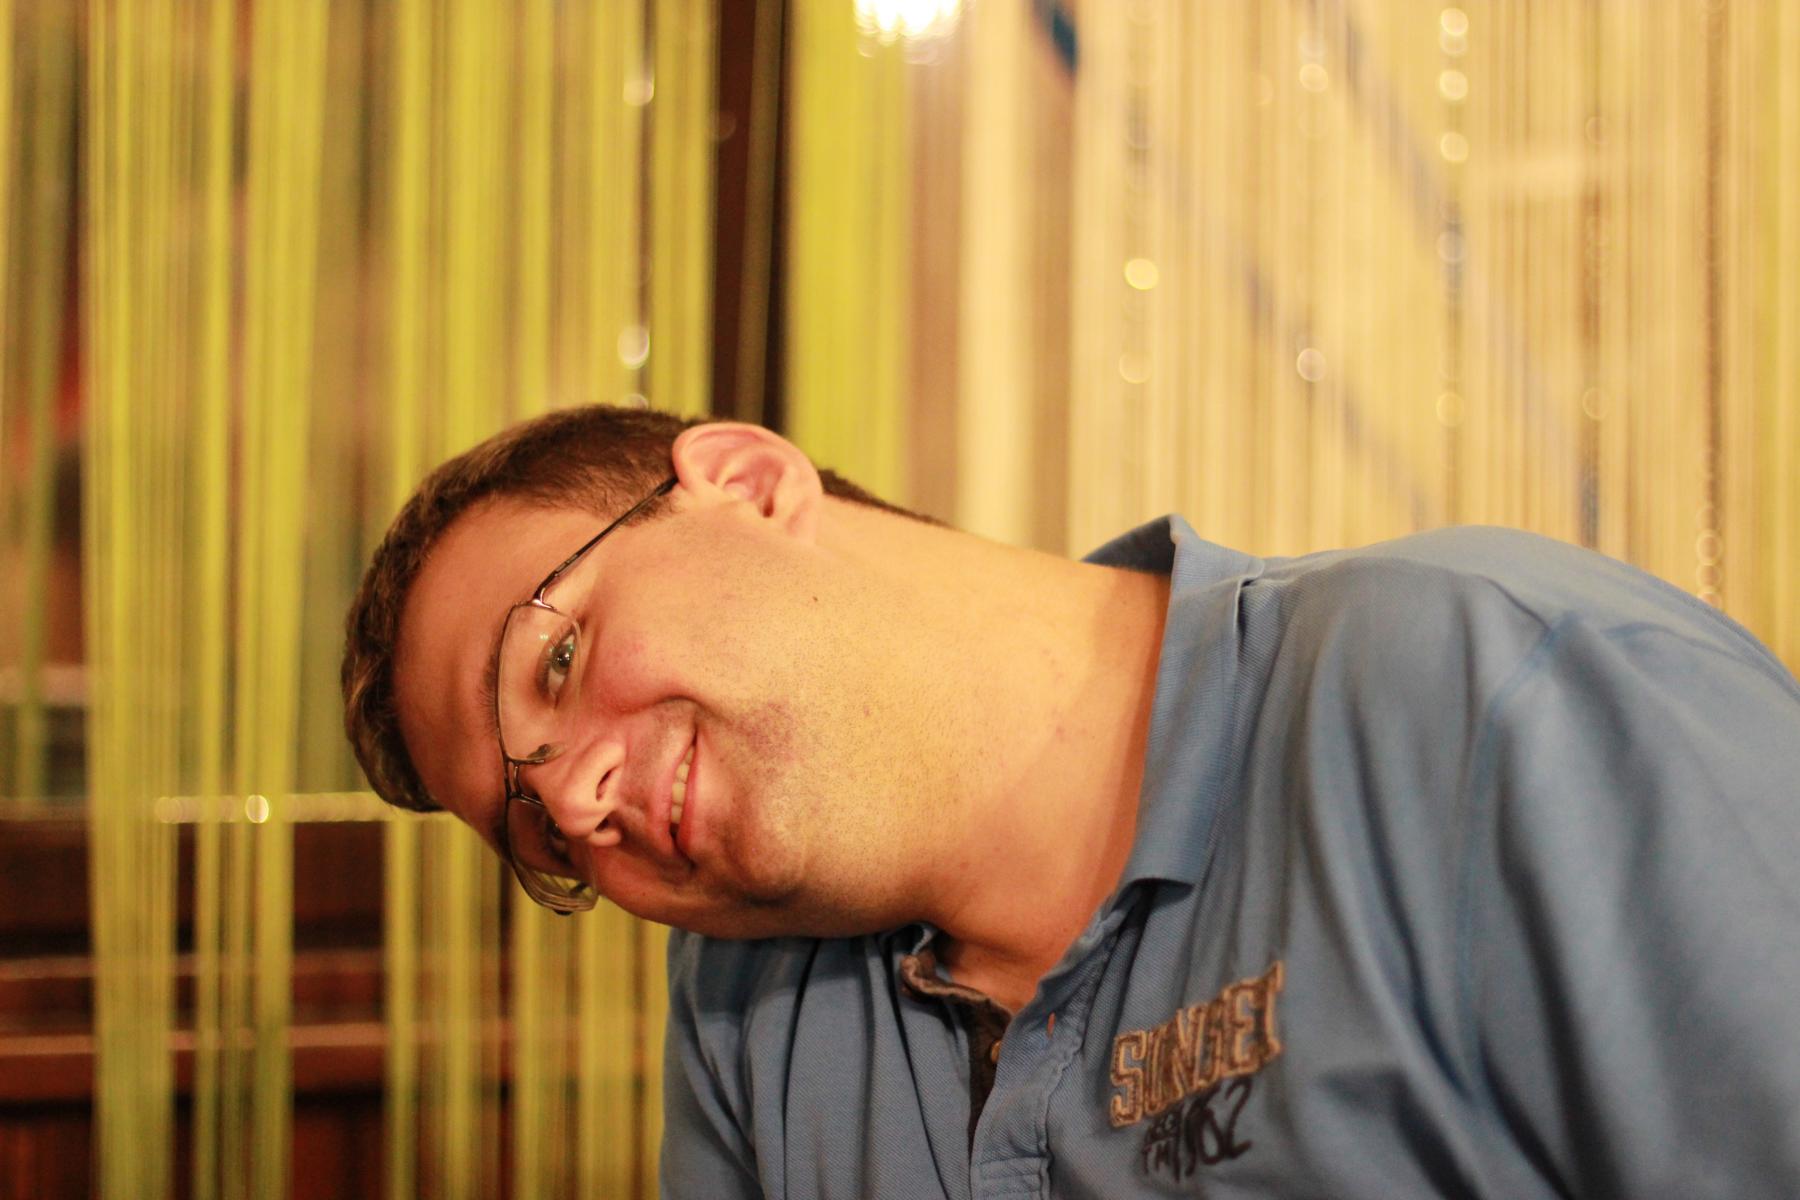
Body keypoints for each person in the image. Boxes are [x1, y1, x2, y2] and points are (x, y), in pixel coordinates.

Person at [343, 404, 1800, 1199]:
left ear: (746, 481)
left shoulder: (1484, 691)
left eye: (555, 661)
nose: (580, 798)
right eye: (535, 832)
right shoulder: (748, 1023)